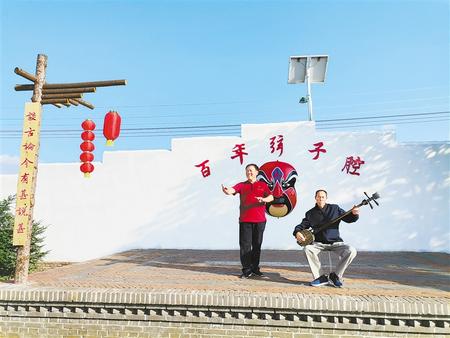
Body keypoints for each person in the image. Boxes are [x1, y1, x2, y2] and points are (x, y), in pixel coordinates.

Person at [293, 189, 359, 287]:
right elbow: (302, 225)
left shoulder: (335, 209)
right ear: (315, 198)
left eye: (323, 197)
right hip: (318, 243)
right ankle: (320, 277)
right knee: (307, 249)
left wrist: (354, 214)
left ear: (326, 198)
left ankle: (335, 276)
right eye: (318, 197)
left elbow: (349, 219)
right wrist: (297, 232)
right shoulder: (310, 213)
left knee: (351, 251)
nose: (321, 198)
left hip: (335, 242)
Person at [222, 163, 274, 278]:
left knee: (257, 245)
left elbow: (271, 197)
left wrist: (264, 199)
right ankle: (246, 270)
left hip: (260, 221)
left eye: (251, 170)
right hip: (245, 220)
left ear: (257, 172)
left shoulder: (262, 185)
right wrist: (227, 190)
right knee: (245, 246)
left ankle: (255, 268)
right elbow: (233, 190)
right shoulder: (242, 185)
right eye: (247, 171)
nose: (249, 173)